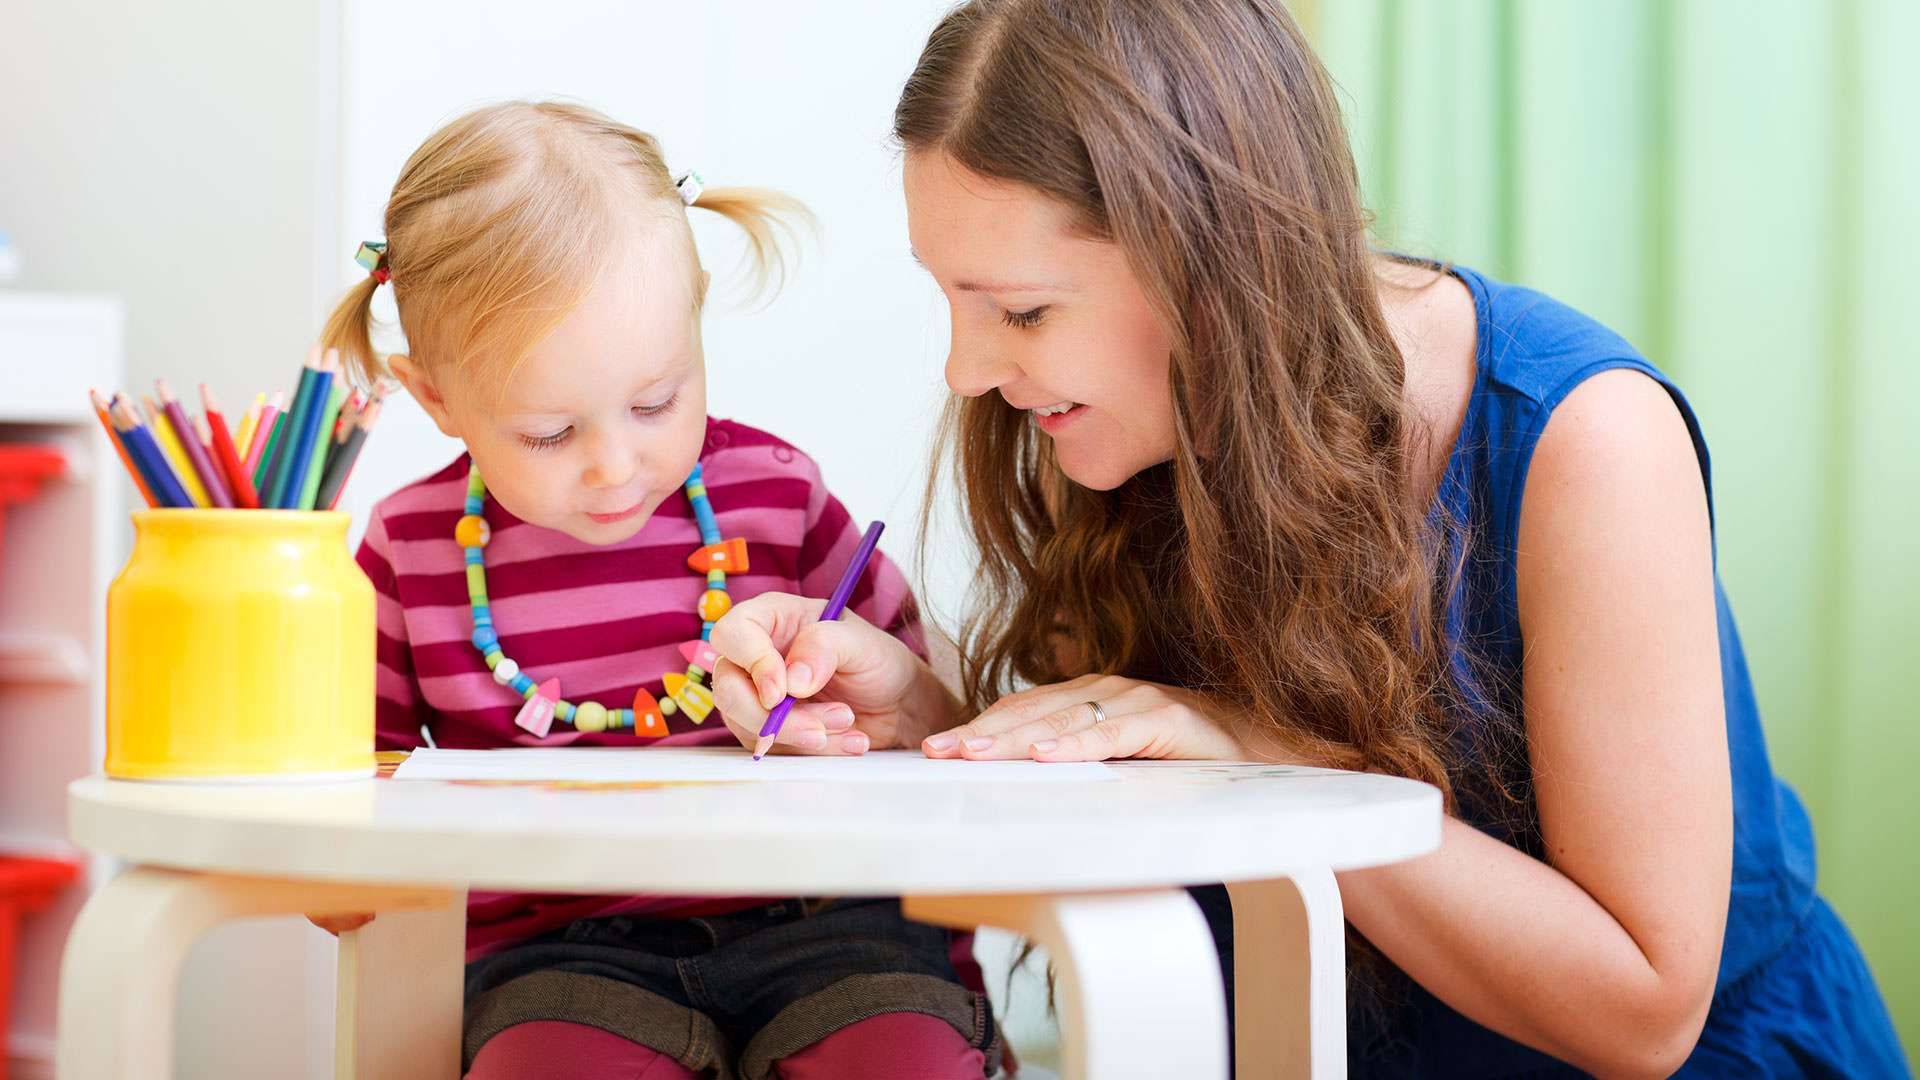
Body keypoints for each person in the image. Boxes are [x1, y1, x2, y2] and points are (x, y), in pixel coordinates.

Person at [709, 2, 1911, 1076]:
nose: (970, 370)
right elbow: (1151, 767)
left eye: (1021, 311)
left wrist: (1256, 756)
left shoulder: (1584, 439)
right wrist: (931, 723)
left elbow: (1643, 1014)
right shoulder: (1134, 428)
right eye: (952, 298)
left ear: (1210, 269)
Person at [314, 101, 1000, 1080]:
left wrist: (844, 714)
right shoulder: (410, 554)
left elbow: (936, 736)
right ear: (435, 398)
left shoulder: (780, 501)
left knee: (906, 1061)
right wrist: (338, 853)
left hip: (832, 921)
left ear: (696, 319)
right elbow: (347, 783)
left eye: (657, 400)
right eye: (551, 433)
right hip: (558, 958)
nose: (615, 465)